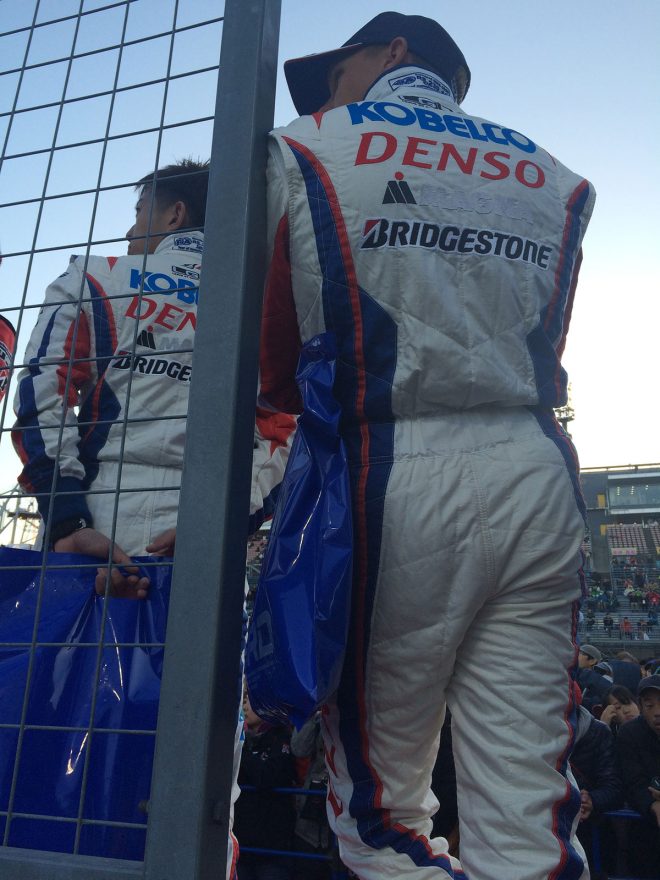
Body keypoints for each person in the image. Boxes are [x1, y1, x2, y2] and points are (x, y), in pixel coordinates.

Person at [260, 11, 595, 879]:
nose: (328, 91)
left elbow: (270, 363)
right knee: (531, 812)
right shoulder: (554, 175)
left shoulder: (303, 146)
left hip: (391, 474)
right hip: (537, 470)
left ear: (392, 53)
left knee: (381, 812)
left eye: (336, 71)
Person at [12, 159, 293, 597]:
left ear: (175, 214)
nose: (130, 231)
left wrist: (66, 518)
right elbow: (282, 431)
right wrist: (227, 518)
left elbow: (42, 392)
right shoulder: (262, 305)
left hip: (94, 528)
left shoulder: (95, 276)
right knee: (196, 645)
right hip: (203, 536)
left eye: (139, 212)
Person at [234, 693, 296, 880]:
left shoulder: (281, 736)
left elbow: (268, 777)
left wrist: (242, 753)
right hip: (244, 841)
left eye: (251, 701)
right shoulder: (242, 740)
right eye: (244, 700)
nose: (245, 706)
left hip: (272, 845)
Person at [615, 675, 660, 877]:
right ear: (640, 707)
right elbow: (631, 781)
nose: (657, 712)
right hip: (645, 830)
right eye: (649, 706)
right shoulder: (629, 734)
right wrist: (653, 804)